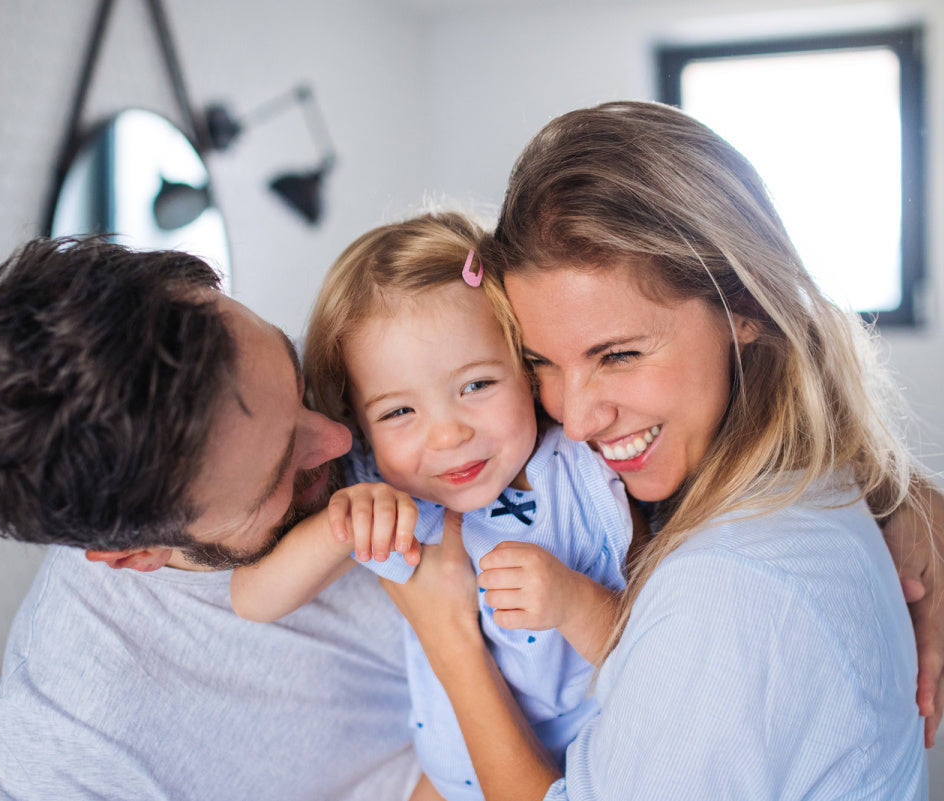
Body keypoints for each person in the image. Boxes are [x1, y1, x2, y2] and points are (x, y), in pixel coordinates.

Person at [378, 101, 938, 800]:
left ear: (746, 308)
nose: (576, 419)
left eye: (617, 354)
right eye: (540, 362)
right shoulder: (802, 483)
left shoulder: (726, 588)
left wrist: (449, 636)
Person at [0, 237, 419, 801]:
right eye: (280, 475)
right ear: (136, 554)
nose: (340, 437)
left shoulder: (372, 356)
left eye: (297, 380)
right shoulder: (71, 747)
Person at [228, 213, 633, 801]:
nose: (446, 437)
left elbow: (647, 666)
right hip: (444, 778)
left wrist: (573, 602)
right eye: (398, 412)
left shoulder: (583, 474)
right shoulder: (396, 500)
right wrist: (341, 526)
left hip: (573, 774)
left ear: (525, 366)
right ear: (361, 424)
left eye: (475, 386)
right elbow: (253, 599)